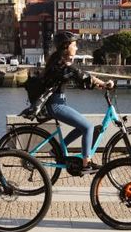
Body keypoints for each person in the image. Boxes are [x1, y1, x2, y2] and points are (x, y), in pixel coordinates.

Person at [41, 31, 113, 174]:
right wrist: (104, 84)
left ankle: (58, 151)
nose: (77, 48)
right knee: (87, 127)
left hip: (58, 103)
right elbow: (82, 75)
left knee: (82, 127)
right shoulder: (62, 64)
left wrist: (98, 84)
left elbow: (82, 78)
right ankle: (86, 162)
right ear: (67, 46)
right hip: (56, 105)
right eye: (75, 45)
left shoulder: (60, 62)